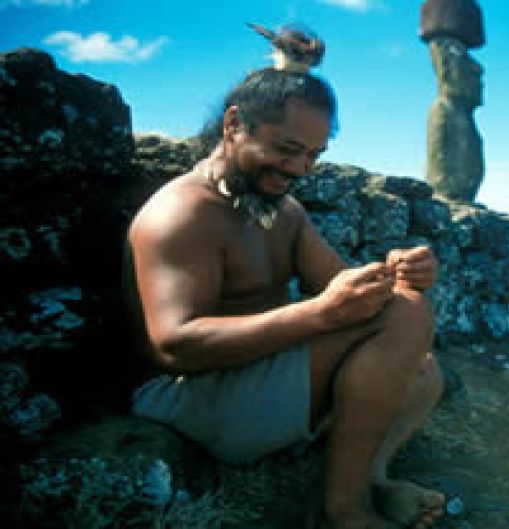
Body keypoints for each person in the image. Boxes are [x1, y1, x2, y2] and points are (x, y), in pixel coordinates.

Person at [124, 38, 445, 529]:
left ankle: (371, 478)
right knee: (406, 321)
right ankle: (342, 511)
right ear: (234, 125)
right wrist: (323, 313)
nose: (299, 169)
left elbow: (346, 288)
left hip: (262, 378)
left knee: (421, 369)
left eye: (313, 156)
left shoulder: (284, 212)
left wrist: (398, 272)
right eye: (285, 149)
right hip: (194, 397)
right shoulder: (182, 214)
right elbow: (174, 348)